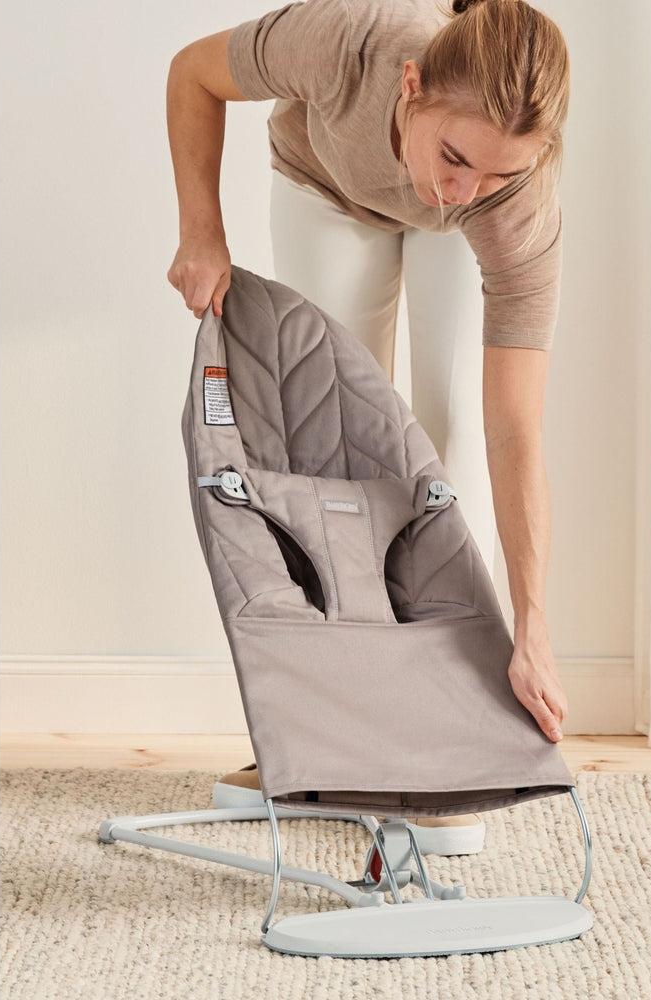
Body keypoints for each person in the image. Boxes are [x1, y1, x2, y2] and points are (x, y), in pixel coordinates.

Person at [166, 0, 570, 856]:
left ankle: (448, 749)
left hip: (462, 234)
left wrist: (533, 626)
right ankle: (327, 741)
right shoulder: (345, 41)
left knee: (447, 456)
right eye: (454, 157)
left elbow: (515, 431)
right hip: (327, 183)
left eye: (496, 173)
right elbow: (193, 73)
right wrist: (202, 230)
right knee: (326, 462)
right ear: (411, 86)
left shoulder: (507, 202)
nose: (462, 188)